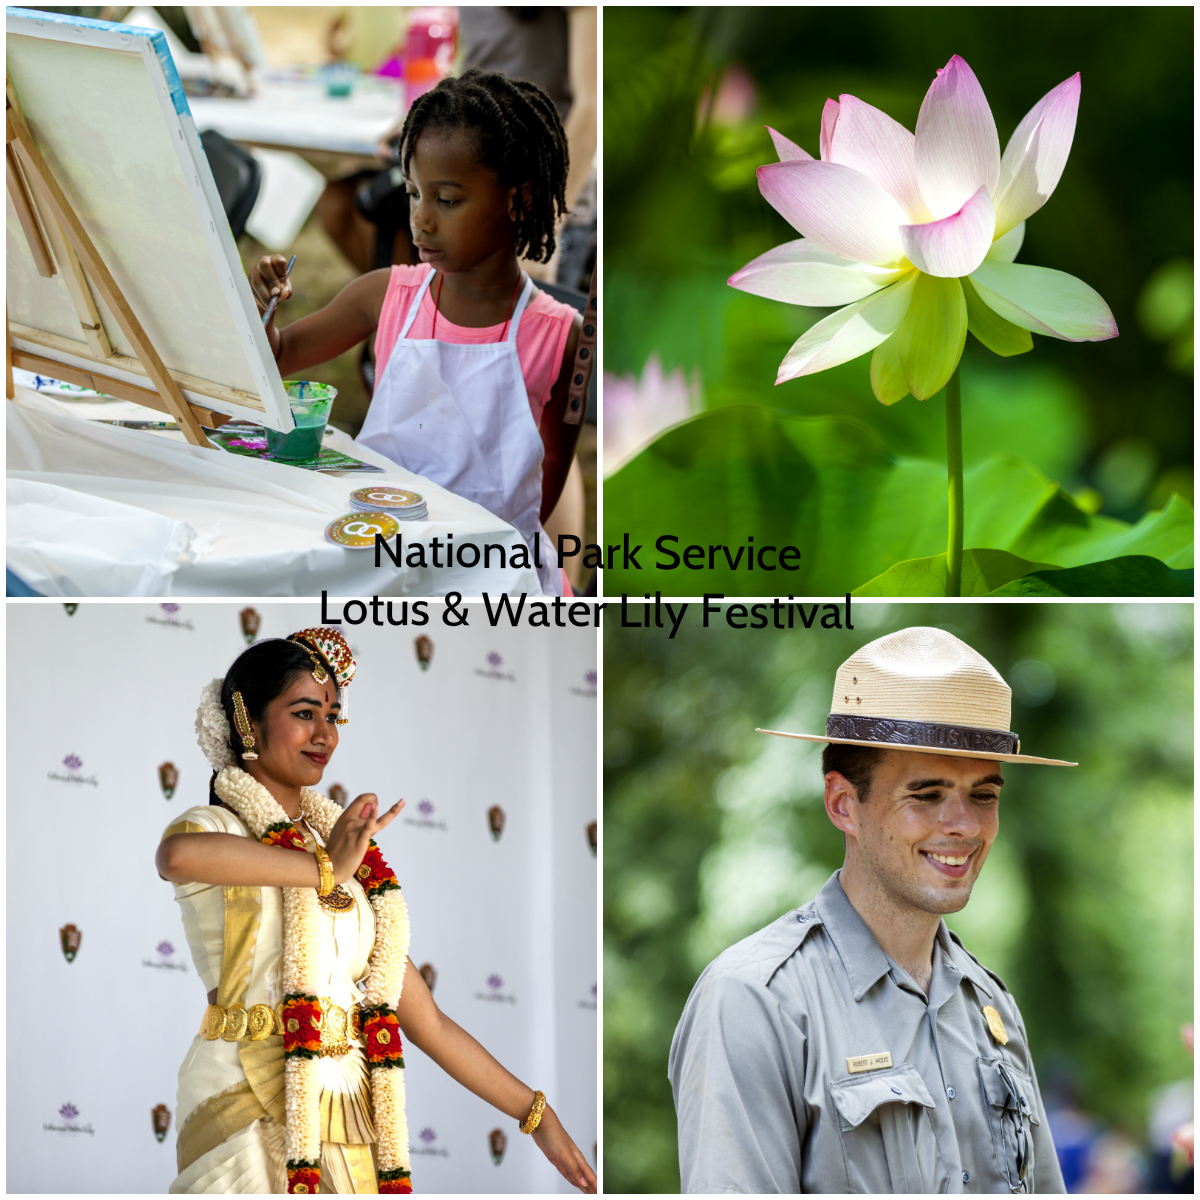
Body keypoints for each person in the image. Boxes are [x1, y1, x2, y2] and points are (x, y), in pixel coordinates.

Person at [157, 628, 596, 1194]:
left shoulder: (343, 859)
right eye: (305, 713)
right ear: (247, 722)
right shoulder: (215, 827)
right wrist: (328, 870)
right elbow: (177, 856)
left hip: (346, 1105)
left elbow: (426, 1022)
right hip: (242, 1096)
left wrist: (537, 1114)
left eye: (334, 716)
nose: (325, 734)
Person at [669, 627, 1071, 1194]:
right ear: (843, 805)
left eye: (984, 794)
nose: (964, 825)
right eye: (926, 795)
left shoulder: (991, 1007)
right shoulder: (755, 1000)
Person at [252, 71, 581, 597]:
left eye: (447, 200)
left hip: (491, 578)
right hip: (377, 561)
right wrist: (262, 309)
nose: (420, 220)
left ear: (519, 200)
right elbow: (279, 356)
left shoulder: (563, 337)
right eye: (412, 194)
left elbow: (548, 481)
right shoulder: (384, 296)